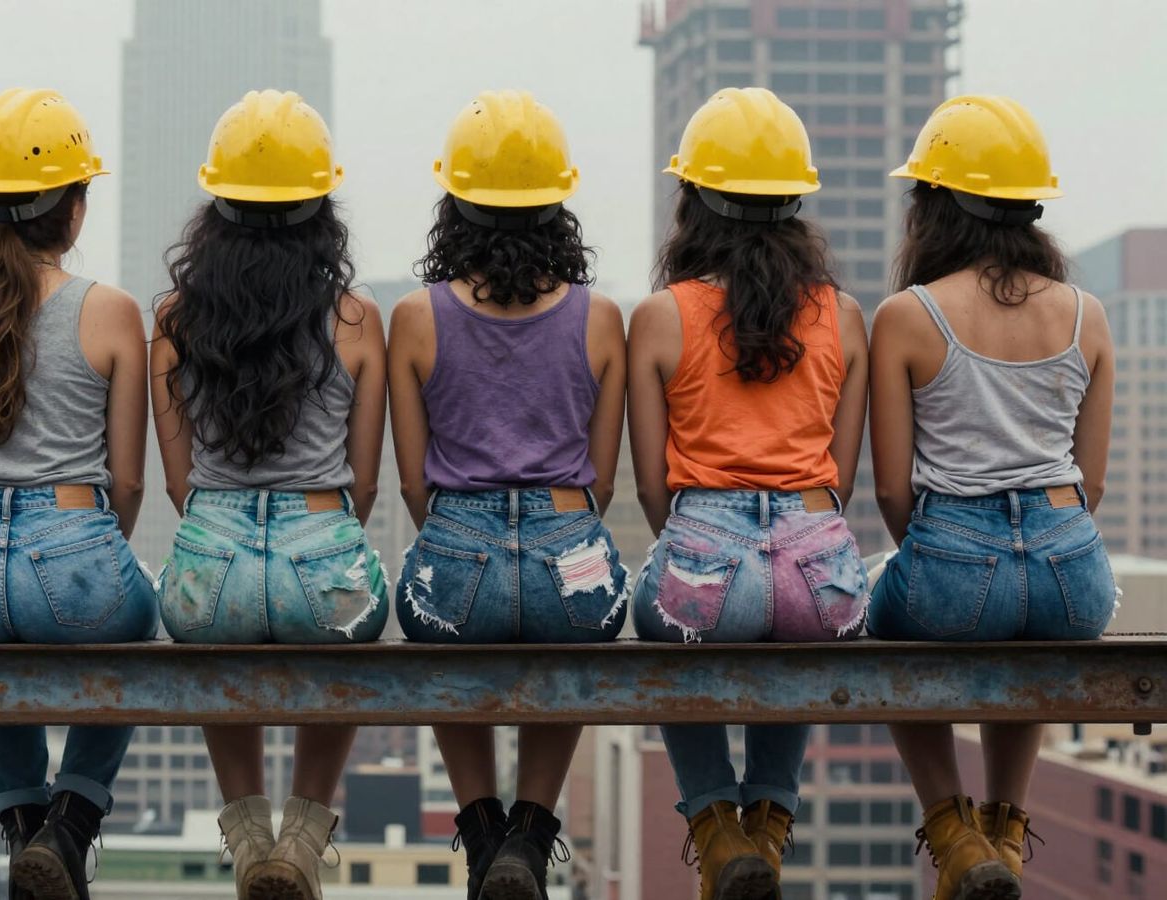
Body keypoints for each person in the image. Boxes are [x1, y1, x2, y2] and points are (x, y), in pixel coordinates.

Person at [0, 89, 157, 900]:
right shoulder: (109, 311)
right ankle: (72, 820)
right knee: (140, 625)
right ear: (73, 208)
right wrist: (86, 549)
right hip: (74, 541)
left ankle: (22, 826)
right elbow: (127, 480)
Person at [868, 95, 1116, 900]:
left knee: (878, 627)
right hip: (1073, 574)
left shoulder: (907, 315)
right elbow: (1091, 483)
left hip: (953, 558)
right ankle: (1006, 830)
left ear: (936, 205)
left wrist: (944, 558)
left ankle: (952, 829)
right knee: (1030, 636)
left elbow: (893, 488)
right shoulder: (1087, 316)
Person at [627, 87, 869, 900]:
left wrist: (705, 543)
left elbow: (653, 486)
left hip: (705, 550)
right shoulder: (845, 316)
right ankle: (767, 821)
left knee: (659, 623)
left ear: (693, 202)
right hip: (820, 563)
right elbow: (838, 478)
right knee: (796, 631)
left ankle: (714, 822)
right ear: (797, 203)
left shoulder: (661, 317)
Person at [388, 90, 629, 900]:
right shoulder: (601, 318)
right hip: (570, 549)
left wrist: (464, 537)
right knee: (573, 644)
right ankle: (531, 830)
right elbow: (599, 480)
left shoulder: (415, 317)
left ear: (454, 203)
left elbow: (413, 481)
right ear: (558, 204)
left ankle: (481, 830)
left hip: (457, 547)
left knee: (435, 633)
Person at [152, 89, 389, 900]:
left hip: (209, 560)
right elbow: (363, 481)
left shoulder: (175, 319)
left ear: (215, 209)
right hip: (322, 552)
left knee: (214, 640)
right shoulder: (356, 319)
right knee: (353, 637)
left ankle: (249, 838)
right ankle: (303, 838)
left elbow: (179, 481)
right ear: (321, 209)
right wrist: (314, 539)